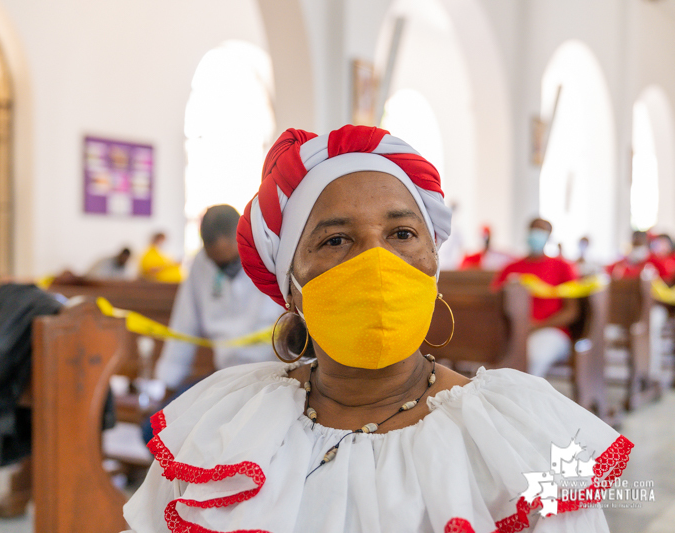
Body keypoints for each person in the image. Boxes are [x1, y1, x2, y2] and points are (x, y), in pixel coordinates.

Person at [123, 126, 630, 533]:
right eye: (336, 239)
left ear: (433, 266)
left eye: (402, 233)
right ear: (291, 287)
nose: (375, 263)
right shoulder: (229, 427)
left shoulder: (514, 433)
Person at [152, 204, 282, 396]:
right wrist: (168, 383)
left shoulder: (274, 255)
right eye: (217, 262)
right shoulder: (201, 263)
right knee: (157, 424)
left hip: (274, 377)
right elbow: (184, 325)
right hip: (225, 375)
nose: (224, 268)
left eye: (230, 261)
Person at [492, 218, 580, 377]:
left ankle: (522, 400)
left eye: (541, 232)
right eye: (533, 230)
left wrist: (536, 326)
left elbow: (571, 311)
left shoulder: (563, 267)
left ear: (549, 237)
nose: (535, 235)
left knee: (532, 358)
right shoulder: (511, 268)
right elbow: (494, 302)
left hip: (551, 331)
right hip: (512, 331)